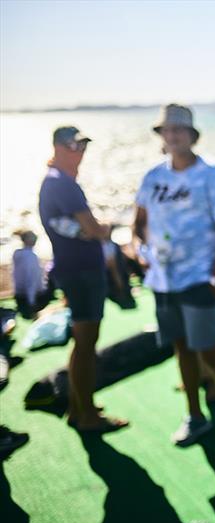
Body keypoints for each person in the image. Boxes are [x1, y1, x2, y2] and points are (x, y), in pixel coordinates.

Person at [133, 104, 215, 455]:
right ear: (161, 136)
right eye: (167, 131)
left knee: (212, 354)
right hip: (163, 282)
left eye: (179, 130)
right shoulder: (153, 177)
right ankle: (195, 415)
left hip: (200, 280)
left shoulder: (213, 174)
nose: (173, 136)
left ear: (191, 135)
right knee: (181, 350)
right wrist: (141, 252)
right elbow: (138, 225)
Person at [38, 126, 128, 432]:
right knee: (86, 345)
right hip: (81, 274)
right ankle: (86, 414)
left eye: (84, 146)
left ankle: (80, 407)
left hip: (73, 271)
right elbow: (93, 229)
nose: (81, 153)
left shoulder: (55, 182)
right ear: (60, 148)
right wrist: (105, 226)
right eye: (76, 146)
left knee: (83, 343)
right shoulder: (63, 184)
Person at [12, 231, 49, 319]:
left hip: (20, 296)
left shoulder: (18, 254)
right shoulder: (30, 256)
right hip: (32, 297)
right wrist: (32, 301)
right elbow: (31, 279)